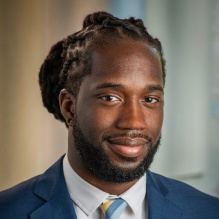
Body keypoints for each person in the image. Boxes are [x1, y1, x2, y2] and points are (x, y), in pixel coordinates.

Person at [0, 11, 218, 219]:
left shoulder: (208, 211)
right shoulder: (8, 210)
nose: (134, 121)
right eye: (110, 98)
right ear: (69, 106)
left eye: (149, 99)